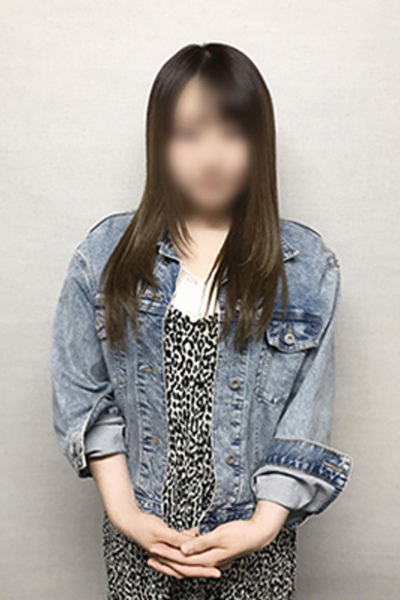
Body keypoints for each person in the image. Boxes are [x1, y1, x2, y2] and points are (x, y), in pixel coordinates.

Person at [51, 42, 353, 599]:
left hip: (255, 544)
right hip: (143, 541)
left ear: (258, 143)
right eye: (189, 134)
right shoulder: (104, 256)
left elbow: (307, 412)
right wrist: (127, 516)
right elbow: (84, 397)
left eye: (232, 134)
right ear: (161, 142)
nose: (211, 157)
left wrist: (261, 527)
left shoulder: (307, 267)